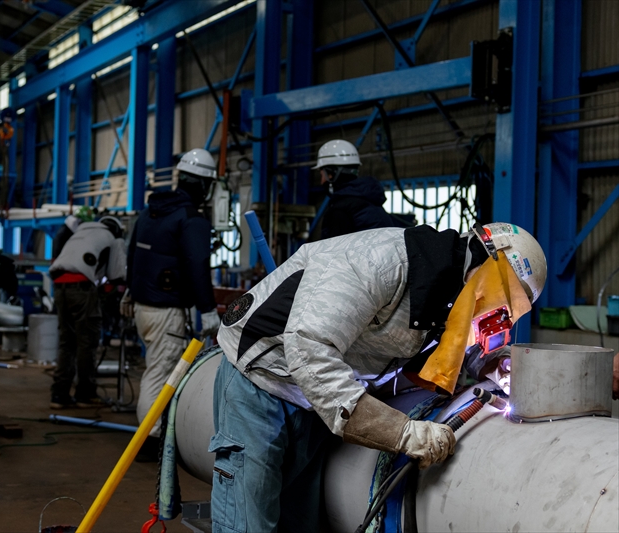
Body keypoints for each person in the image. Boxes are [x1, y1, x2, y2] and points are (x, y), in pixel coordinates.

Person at [210, 222, 547, 532]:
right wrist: (401, 432)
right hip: (262, 381)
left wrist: (488, 364)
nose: (495, 315)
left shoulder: (448, 289)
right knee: (248, 520)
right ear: (484, 266)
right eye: (504, 302)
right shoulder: (378, 262)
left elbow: (453, 336)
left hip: (315, 401)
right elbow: (309, 347)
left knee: (299, 521)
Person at [121, 148, 221, 461]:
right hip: (166, 311)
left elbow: (132, 254)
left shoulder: (151, 212)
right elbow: (198, 264)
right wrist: (207, 308)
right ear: (205, 185)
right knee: (161, 373)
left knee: (157, 367)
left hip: (144, 306)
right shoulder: (191, 219)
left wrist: (129, 291)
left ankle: (156, 432)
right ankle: (149, 441)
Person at [48, 209, 127, 409]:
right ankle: (86, 393)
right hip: (82, 288)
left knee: (67, 342)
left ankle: (59, 395)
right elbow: (116, 274)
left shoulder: (81, 230)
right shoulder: (114, 238)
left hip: (59, 286)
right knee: (87, 342)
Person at [314, 139, 407, 239]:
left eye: (322, 174)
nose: (322, 181)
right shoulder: (371, 203)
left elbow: (335, 252)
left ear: (331, 174)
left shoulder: (341, 210)